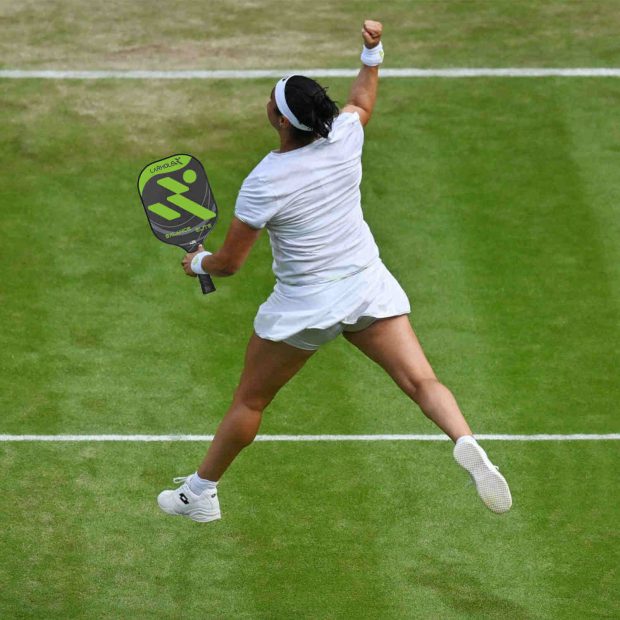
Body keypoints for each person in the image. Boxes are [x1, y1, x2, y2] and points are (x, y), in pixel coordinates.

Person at [157, 20, 512, 522]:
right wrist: (372, 53)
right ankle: (467, 440)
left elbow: (230, 264)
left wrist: (197, 263)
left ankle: (200, 494)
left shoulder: (265, 181)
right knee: (420, 381)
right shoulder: (344, 136)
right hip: (367, 285)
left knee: (250, 402)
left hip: (307, 305)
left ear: (281, 122)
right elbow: (362, 103)